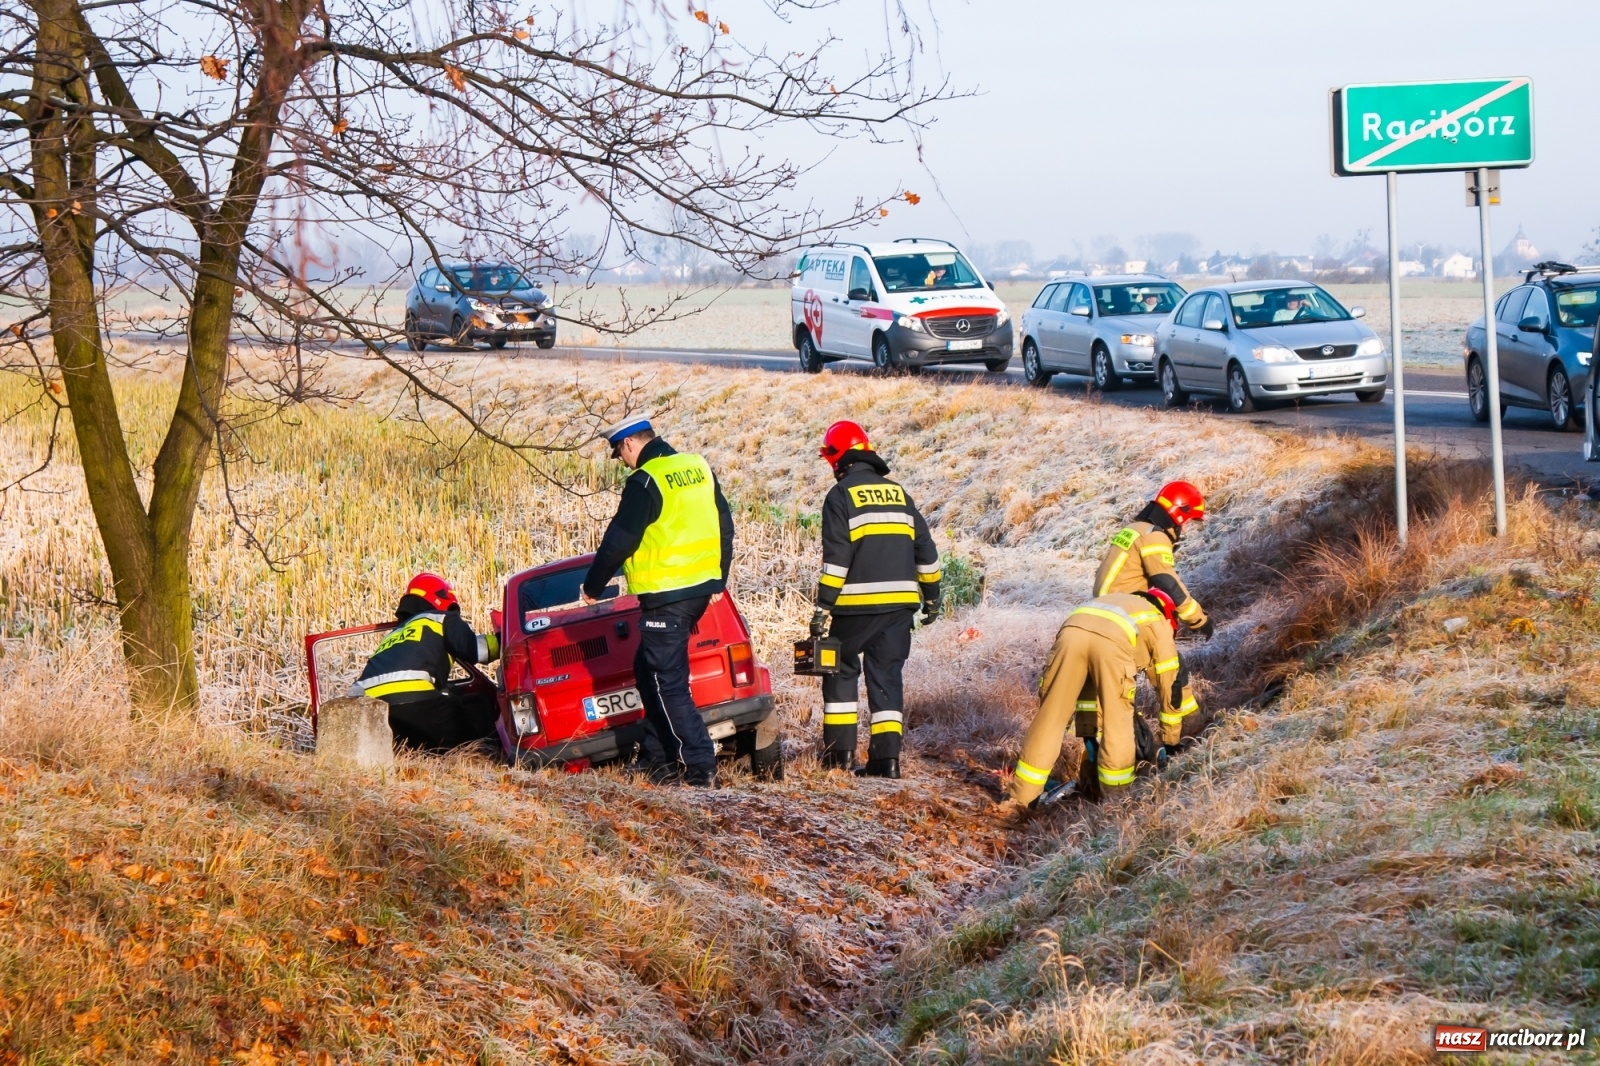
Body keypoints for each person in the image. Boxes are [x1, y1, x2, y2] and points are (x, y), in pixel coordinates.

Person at [582, 415, 737, 788]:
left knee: (668, 683)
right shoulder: (696, 467)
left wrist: (592, 586)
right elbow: (725, 523)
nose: (624, 462)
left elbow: (620, 539)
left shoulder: (646, 480)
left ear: (630, 444)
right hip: (698, 590)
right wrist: (720, 577)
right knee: (646, 670)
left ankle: (699, 766)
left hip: (667, 596)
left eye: (621, 454)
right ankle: (658, 758)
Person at [811, 420, 941, 778]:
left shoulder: (840, 497)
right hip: (899, 609)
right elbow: (926, 552)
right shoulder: (899, 494)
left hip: (854, 608)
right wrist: (932, 597)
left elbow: (836, 559)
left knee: (839, 671)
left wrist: (823, 607)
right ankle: (887, 761)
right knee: (886, 678)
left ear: (839, 458)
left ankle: (839, 758)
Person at [1009, 588, 1189, 807]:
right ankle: (1117, 801)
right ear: (1170, 616)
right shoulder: (1158, 621)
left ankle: (1020, 800)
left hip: (1071, 631)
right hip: (1112, 642)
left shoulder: (1121, 603)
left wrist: (1088, 733)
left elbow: (1090, 693)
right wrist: (1171, 740)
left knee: (1050, 718)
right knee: (1118, 722)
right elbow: (1170, 683)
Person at [1092, 480, 1210, 744]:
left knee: (1169, 668)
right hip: (1125, 615)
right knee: (1170, 668)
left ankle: (1193, 722)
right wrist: (1198, 618)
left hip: (1104, 612)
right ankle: (1178, 738)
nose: (1184, 528)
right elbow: (1165, 579)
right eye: (1187, 521)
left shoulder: (1135, 530)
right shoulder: (1155, 536)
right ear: (1179, 514)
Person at [357, 572, 501, 752]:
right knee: (473, 723)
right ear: (442, 599)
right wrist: (504, 641)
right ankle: (490, 759)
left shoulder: (394, 634)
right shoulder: (441, 618)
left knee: (414, 750)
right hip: (416, 700)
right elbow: (474, 649)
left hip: (373, 708)